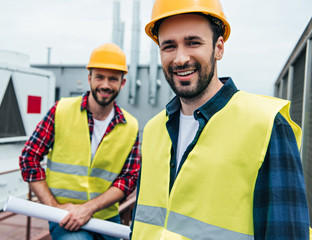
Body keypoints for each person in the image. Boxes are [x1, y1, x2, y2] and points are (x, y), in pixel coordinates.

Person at [131, 0, 310, 239]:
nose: (180, 58)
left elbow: (286, 233)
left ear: (219, 48)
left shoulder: (267, 125)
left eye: (193, 42)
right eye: (169, 46)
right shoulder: (154, 129)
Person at [19, 43, 140, 240]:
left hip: (106, 218)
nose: (105, 85)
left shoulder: (131, 125)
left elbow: (128, 179)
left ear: (122, 83)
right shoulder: (61, 111)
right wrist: (55, 208)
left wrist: (88, 208)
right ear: (89, 78)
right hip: (65, 217)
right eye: (99, 77)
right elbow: (29, 158)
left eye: (113, 79)